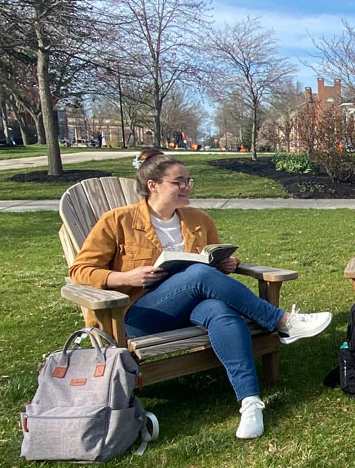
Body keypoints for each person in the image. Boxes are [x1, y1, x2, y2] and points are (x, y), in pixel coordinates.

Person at [70, 154, 333, 439]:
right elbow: (80, 270)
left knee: (221, 311)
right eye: (178, 182)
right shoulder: (117, 221)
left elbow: (211, 260)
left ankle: (250, 403)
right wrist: (125, 278)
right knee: (199, 276)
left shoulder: (198, 219)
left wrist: (228, 263)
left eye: (188, 181)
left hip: (190, 304)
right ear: (153, 185)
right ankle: (282, 321)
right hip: (137, 315)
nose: (187, 187)